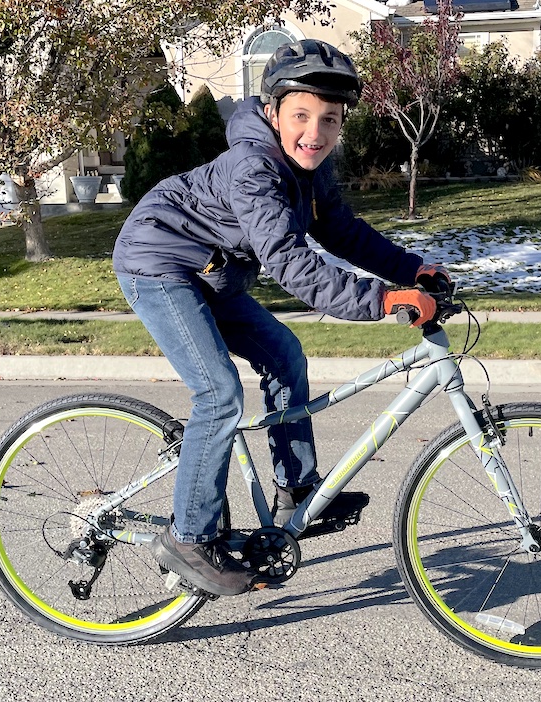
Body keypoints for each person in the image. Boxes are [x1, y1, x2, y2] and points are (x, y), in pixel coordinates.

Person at [112, 39, 449, 596]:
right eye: (301, 116)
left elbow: (341, 231)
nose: (315, 132)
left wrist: (411, 269)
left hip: (210, 272)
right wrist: (379, 301)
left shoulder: (309, 169)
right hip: (158, 262)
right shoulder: (255, 166)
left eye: (330, 120)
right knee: (219, 393)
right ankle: (188, 539)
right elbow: (290, 260)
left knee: (286, 356)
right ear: (272, 112)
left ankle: (297, 492)